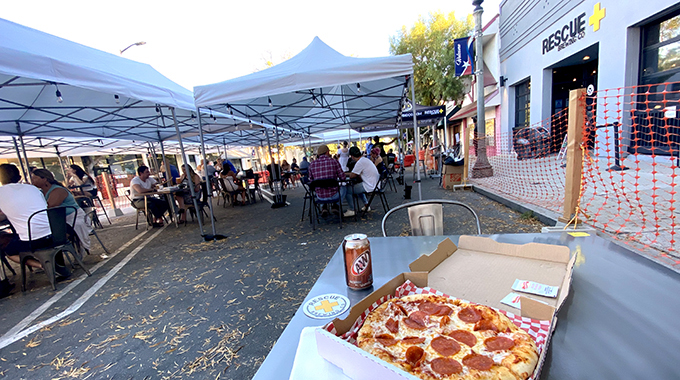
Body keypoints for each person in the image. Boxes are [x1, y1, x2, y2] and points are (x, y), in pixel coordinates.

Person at [0, 164, 70, 296]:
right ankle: (55, 265)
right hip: (56, 234)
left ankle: (42, 265)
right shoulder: (32, 189)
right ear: (19, 176)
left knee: (8, 250)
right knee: (38, 232)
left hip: (33, 241)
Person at [31, 169, 93, 258]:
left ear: (44, 179)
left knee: (50, 236)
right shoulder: (41, 192)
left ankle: (52, 258)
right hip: (58, 221)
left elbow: (50, 207)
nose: (32, 181)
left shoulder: (57, 190)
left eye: (34, 178)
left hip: (72, 220)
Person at [308, 145, 345, 216]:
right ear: (327, 152)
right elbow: (342, 177)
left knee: (320, 188)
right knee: (344, 187)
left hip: (320, 196)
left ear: (318, 154)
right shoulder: (334, 161)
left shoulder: (312, 164)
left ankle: (323, 207)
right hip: (334, 194)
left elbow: (311, 181)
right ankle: (336, 206)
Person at [343, 146, 378, 217]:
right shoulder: (365, 160)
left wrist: (344, 173)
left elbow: (352, 175)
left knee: (347, 190)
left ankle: (352, 209)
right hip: (375, 183)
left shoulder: (360, 163)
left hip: (369, 185)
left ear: (352, 156)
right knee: (357, 188)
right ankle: (366, 205)